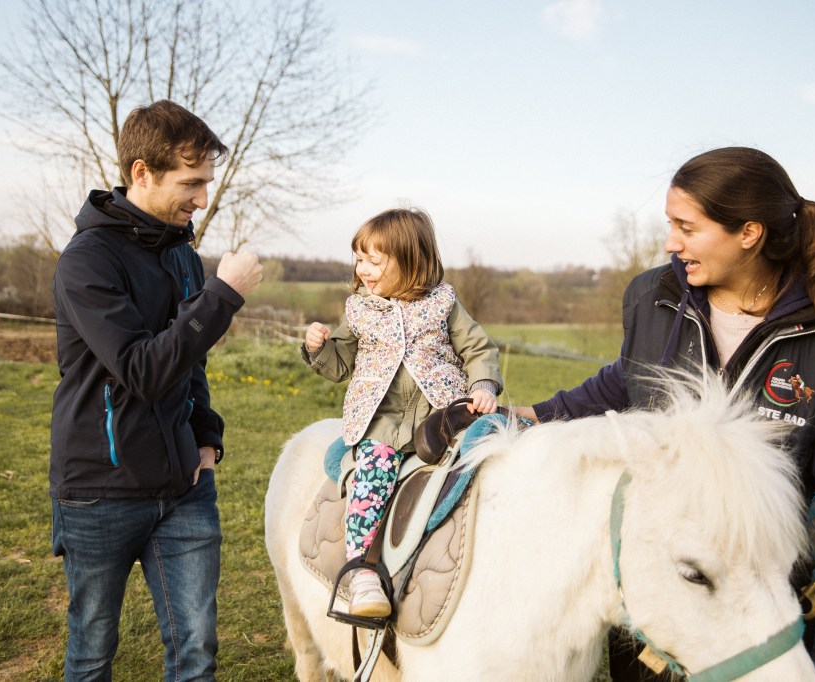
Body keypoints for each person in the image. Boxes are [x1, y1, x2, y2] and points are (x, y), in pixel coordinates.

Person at [513, 146, 815, 681]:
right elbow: (626, 381)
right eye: (671, 225)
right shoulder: (652, 295)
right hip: (664, 563)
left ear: (749, 233)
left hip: (765, 575)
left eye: (686, 227)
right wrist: (532, 415)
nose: (672, 243)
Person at [50, 99, 263, 680]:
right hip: (100, 490)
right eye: (192, 183)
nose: (203, 199)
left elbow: (190, 364)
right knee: (92, 651)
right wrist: (223, 295)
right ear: (142, 172)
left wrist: (206, 437)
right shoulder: (86, 262)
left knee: (196, 651)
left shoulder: (182, 256)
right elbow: (141, 370)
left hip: (186, 488)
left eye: (207, 183)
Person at [302, 207, 503, 618]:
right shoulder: (360, 310)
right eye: (360, 259)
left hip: (442, 414)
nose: (363, 269)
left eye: (374, 261)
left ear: (411, 262)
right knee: (373, 477)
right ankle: (362, 572)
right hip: (384, 421)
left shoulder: (443, 303)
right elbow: (339, 365)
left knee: (487, 460)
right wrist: (318, 347)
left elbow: (477, 347)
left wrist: (483, 385)